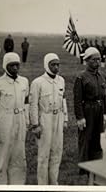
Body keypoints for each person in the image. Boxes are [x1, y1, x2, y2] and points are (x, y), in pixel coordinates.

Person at [0, 52, 29, 184]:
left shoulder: (24, 81)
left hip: (20, 121)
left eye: (17, 65)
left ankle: (17, 184)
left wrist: (26, 121)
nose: (15, 68)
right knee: (3, 157)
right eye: (12, 65)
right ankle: (1, 184)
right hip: (5, 122)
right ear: (5, 66)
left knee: (19, 157)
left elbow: (26, 102)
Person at [29, 53, 68, 185]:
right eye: (53, 64)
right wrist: (35, 124)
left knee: (57, 151)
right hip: (45, 118)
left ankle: (53, 182)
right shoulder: (37, 82)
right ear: (46, 65)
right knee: (44, 154)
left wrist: (65, 119)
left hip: (58, 117)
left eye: (58, 64)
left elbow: (63, 100)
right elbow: (33, 104)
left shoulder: (61, 80)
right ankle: (42, 184)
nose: (56, 67)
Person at [73, 47, 106, 174]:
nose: (97, 62)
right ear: (87, 61)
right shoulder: (81, 77)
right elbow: (77, 99)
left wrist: (104, 113)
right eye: (94, 60)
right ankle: (84, 168)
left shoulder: (102, 76)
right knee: (86, 138)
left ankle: (96, 164)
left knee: (98, 138)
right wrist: (80, 117)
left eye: (99, 59)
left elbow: (104, 97)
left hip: (99, 110)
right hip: (88, 110)